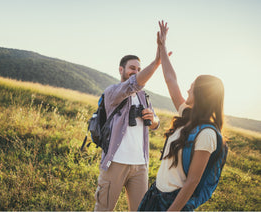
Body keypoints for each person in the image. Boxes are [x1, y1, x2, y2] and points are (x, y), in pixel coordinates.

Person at [138, 21, 227, 211]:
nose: (187, 88)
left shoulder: (207, 134)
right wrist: (162, 46)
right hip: (155, 194)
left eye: (192, 88)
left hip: (172, 204)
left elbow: (192, 182)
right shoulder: (187, 115)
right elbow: (171, 80)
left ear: (202, 96)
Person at [94, 33, 164, 211]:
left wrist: (153, 119)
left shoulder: (143, 97)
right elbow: (134, 84)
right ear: (121, 70)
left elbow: (156, 124)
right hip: (115, 162)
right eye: (132, 68)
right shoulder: (113, 92)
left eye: (139, 69)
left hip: (140, 165)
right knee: (103, 209)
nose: (136, 72)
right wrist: (157, 62)